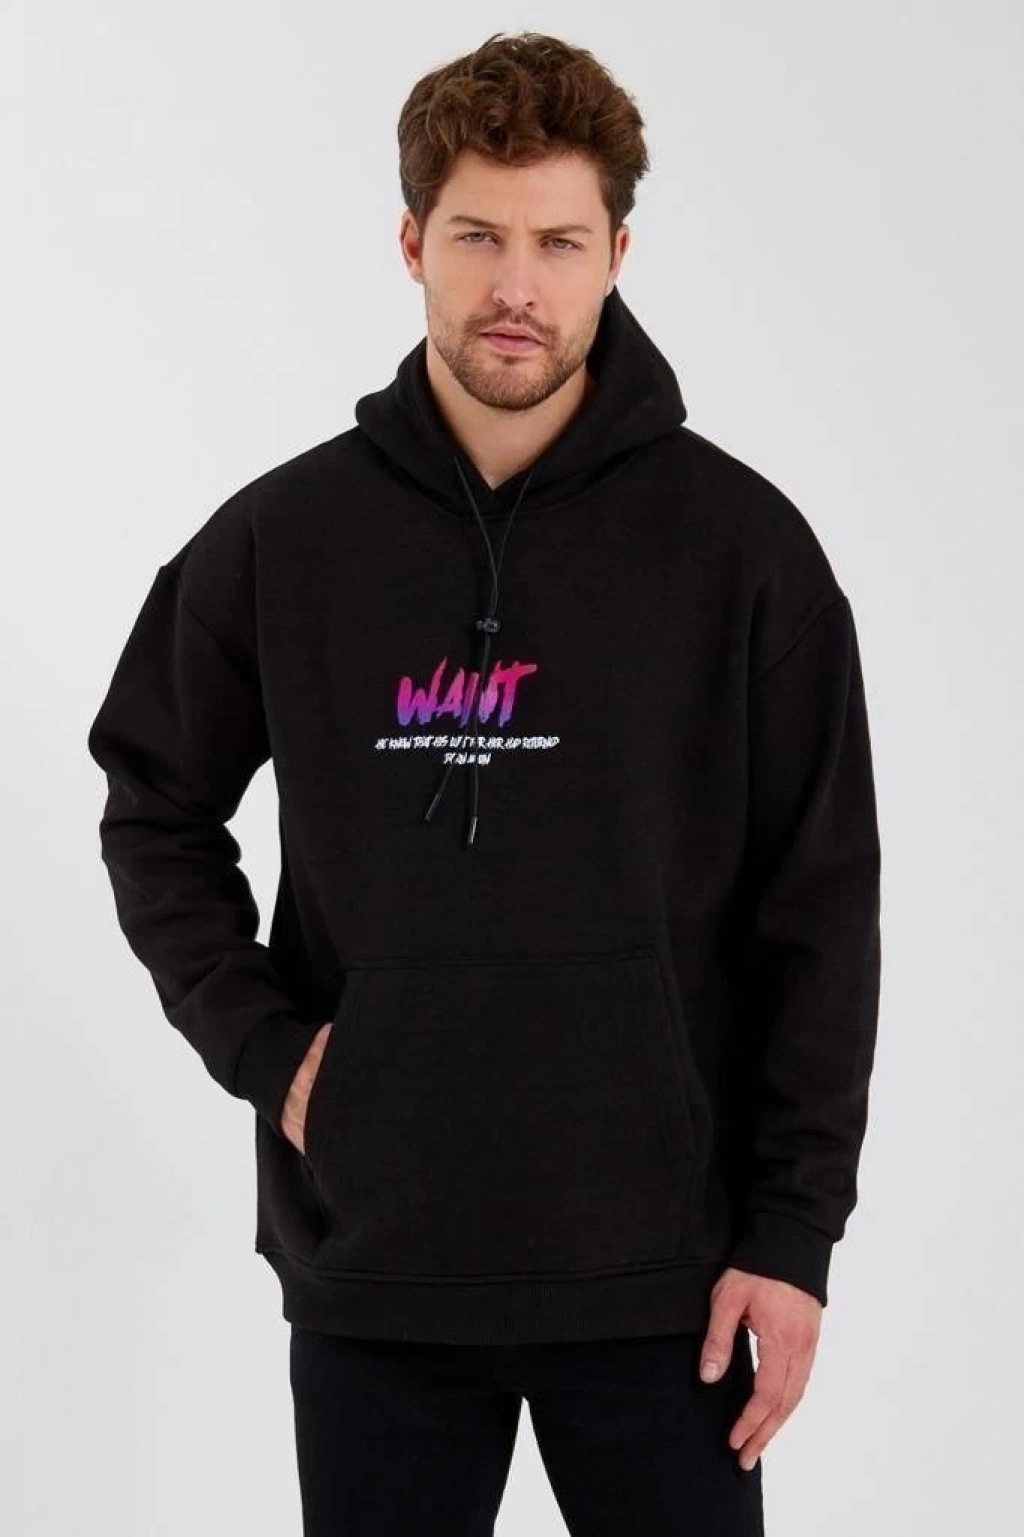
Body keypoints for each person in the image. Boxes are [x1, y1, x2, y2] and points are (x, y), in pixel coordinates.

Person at [86, 28, 882, 1537]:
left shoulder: (745, 554)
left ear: (618, 255)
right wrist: (267, 1048)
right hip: (377, 1264)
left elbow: (822, 910)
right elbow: (152, 801)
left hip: (667, 1279)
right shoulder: (283, 543)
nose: (518, 286)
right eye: (478, 237)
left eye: (559, 242)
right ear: (412, 243)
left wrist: (795, 1235)